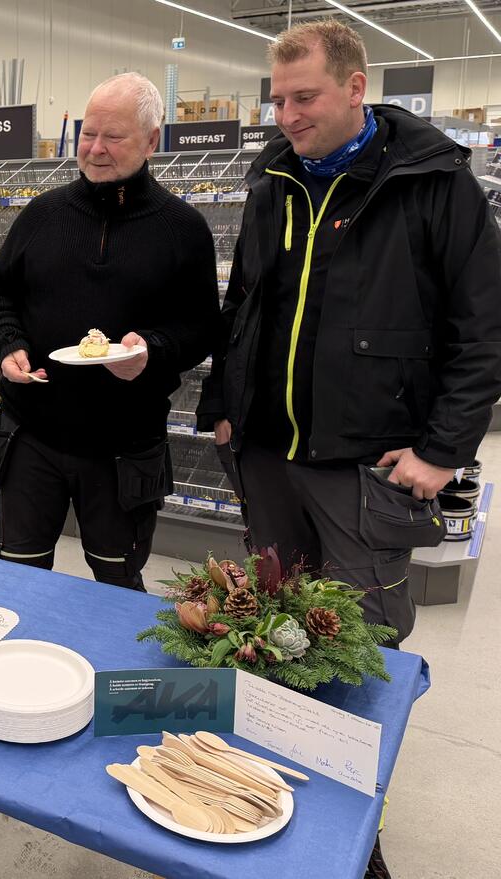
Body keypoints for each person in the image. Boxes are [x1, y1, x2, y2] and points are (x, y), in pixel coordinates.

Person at [197, 22, 501, 879]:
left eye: (305, 98)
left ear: (357, 88)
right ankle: (270, 804)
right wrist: (225, 404)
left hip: (366, 467)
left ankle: (350, 841)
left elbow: (483, 333)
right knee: (270, 633)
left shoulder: (436, 185)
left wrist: (443, 454)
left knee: (359, 650)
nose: (285, 115)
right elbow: (246, 302)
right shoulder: (274, 182)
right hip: (266, 457)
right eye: (278, 98)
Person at [0, 73, 221, 589]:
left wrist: (151, 351)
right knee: (17, 577)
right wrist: (9, 344)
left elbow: (201, 326)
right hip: (31, 437)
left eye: (115, 136)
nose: (96, 149)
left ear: (152, 140)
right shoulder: (43, 215)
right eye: (89, 134)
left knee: (116, 585)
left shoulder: (183, 229)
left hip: (124, 448)